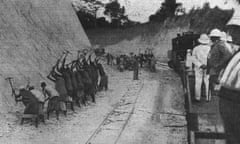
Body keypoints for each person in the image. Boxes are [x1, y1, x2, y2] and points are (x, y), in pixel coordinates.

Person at [207, 29, 232, 98]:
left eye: (211, 37)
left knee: (216, 86)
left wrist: (219, 64)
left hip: (217, 70)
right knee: (212, 85)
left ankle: (216, 100)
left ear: (215, 37)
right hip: (213, 70)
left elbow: (228, 55)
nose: (210, 39)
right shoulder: (215, 45)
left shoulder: (220, 45)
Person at [192, 34, 211, 101]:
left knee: (198, 82)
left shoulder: (196, 48)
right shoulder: (210, 48)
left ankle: (197, 98)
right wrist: (207, 65)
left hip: (198, 67)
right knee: (207, 81)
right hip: (207, 67)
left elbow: (193, 58)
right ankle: (207, 97)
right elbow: (211, 58)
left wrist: (200, 65)